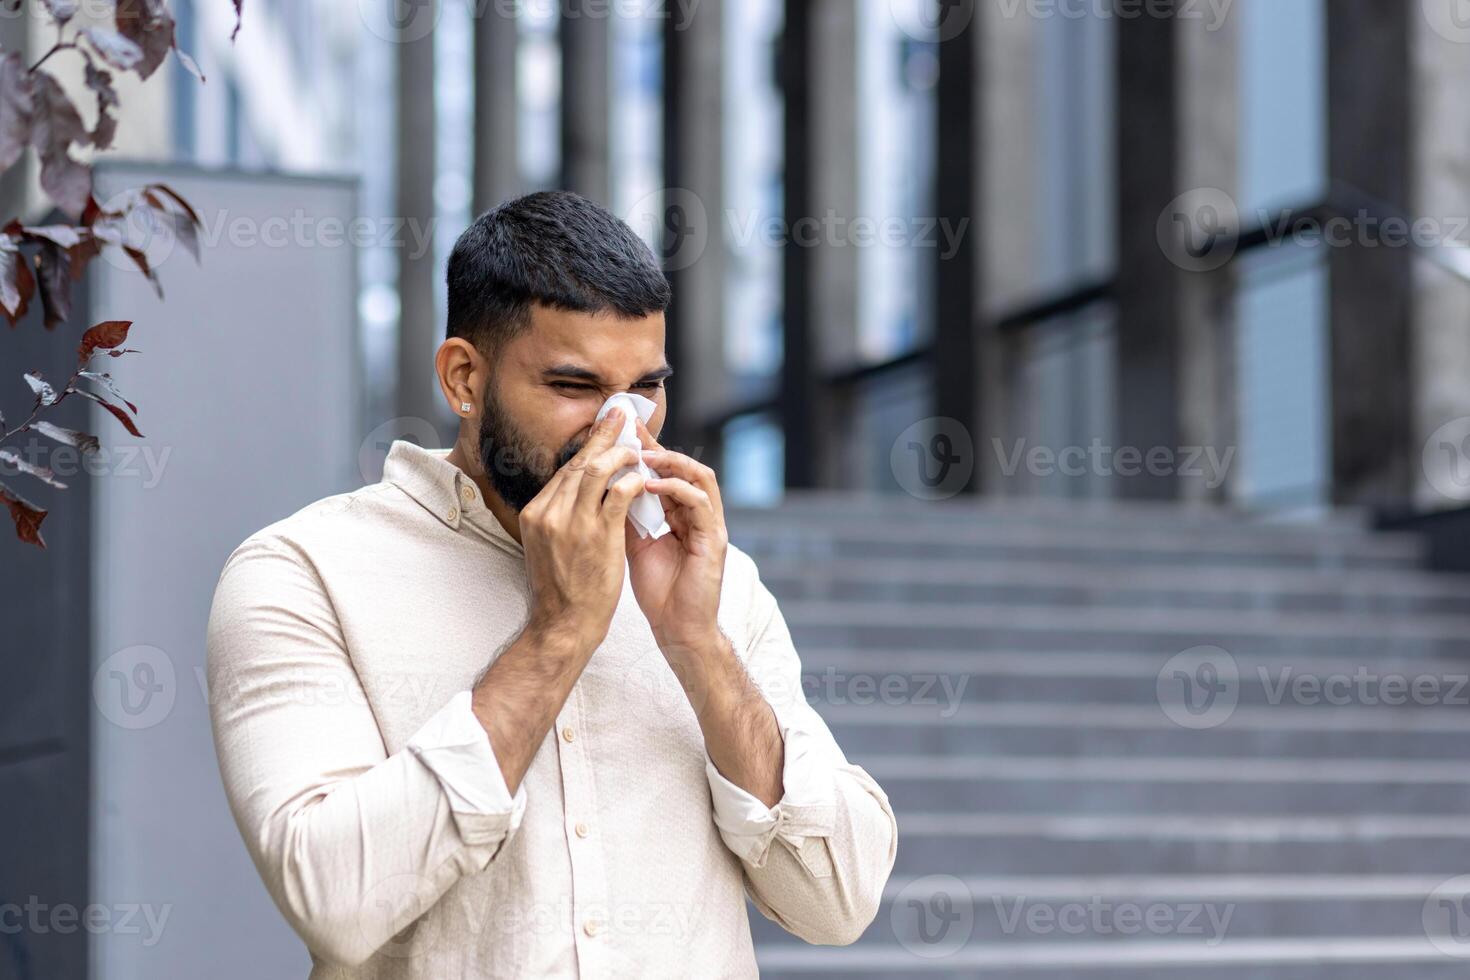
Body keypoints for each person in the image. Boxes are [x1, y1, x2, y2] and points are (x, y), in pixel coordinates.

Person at [205, 190, 898, 977]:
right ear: (465, 378)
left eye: (645, 390)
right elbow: (333, 900)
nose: (622, 432)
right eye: (575, 388)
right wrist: (558, 634)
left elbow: (839, 902)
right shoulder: (304, 573)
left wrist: (698, 644)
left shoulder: (717, 588)